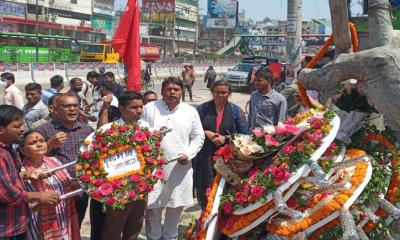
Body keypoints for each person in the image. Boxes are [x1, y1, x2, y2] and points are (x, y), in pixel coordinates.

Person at [142, 77, 205, 240]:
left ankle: (171, 237)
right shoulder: (150, 108)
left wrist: (189, 154)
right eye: (168, 89)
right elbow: (139, 129)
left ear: (182, 92)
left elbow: (199, 136)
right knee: (153, 208)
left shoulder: (190, 111)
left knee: (175, 207)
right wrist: (151, 132)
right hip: (153, 167)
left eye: (176, 90)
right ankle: (154, 237)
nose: (172, 92)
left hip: (179, 167)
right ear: (162, 91)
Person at [90, 92, 152, 240]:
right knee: (114, 227)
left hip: (140, 186)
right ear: (122, 109)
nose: (138, 110)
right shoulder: (110, 129)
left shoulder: (145, 126)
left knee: (135, 224)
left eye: (141, 107)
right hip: (118, 188)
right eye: (133, 107)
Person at [0, 105, 60, 239]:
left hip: (18, 224)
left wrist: (27, 175)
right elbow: (8, 194)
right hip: (6, 229)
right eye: (16, 126)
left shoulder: (9, 149)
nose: (22, 129)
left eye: (22, 125)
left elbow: (11, 177)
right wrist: (39, 196)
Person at [36, 93, 94, 227]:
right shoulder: (43, 130)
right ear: (55, 109)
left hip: (79, 188)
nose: (72, 109)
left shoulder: (86, 130)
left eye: (75, 106)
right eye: (67, 106)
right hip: (54, 190)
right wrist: (50, 144)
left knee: (75, 226)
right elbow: (32, 160)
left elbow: (93, 157)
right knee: (54, 227)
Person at [193, 80, 247, 208]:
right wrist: (206, 133)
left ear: (229, 93)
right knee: (205, 187)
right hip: (205, 155)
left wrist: (226, 138)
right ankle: (205, 217)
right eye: (217, 92)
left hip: (227, 158)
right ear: (212, 92)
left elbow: (244, 135)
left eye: (224, 92)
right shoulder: (201, 109)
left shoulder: (236, 111)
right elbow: (191, 129)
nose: (220, 95)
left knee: (225, 189)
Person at [20, 131, 80, 240]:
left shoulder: (54, 161)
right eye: (33, 142)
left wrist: (85, 180)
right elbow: (21, 201)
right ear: (22, 150)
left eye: (42, 141)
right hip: (38, 225)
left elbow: (70, 182)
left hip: (63, 219)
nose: (39, 144)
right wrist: (40, 203)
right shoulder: (22, 171)